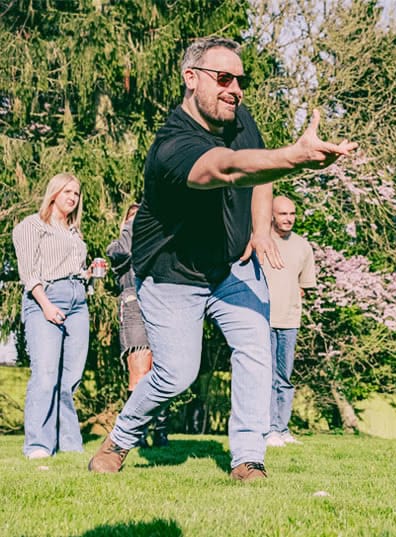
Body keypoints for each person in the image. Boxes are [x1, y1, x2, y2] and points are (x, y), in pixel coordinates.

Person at [88, 36, 357, 479]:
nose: (235, 90)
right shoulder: (172, 146)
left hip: (231, 268)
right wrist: (295, 157)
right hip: (172, 275)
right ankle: (120, 438)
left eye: (240, 81)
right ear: (191, 78)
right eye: (224, 78)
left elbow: (260, 171)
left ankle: (248, 458)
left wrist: (260, 228)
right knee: (176, 375)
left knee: (256, 350)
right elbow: (227, 168)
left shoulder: (238, 118)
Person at [12, 172, 94, 459]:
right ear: (54, 193)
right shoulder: (31, 226)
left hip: (78, 301)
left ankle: (69, 444)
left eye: (77, 193)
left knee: (70, 378)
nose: (73, 197)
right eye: (67, 191)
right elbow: (28, 272)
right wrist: (46, 305)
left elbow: (69, 268)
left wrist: (87, 275)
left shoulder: (74, 232)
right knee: (46, 375)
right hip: (45, 298)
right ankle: (38, 445)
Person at [106, 203, 169, 448]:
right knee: (139, 368)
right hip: (134, 303)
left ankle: (161, 430)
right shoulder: (119, 247)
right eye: (132, 218)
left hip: (160, 303)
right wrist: (132, 227)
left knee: (162, 369)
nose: (138, 221)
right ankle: (137, 432)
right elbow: (119, 253)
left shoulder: (157, 243)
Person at [262, 196, 316, 447]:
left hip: (289, 321)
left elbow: (304, 285)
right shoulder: (260, 241)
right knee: (266, 376)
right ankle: (268, 429)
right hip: (263, 319)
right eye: (283, 214)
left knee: (284, 377)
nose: (289, 218)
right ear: (272, 215)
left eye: (292, 214)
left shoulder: (303, 246)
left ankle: (282, 428)